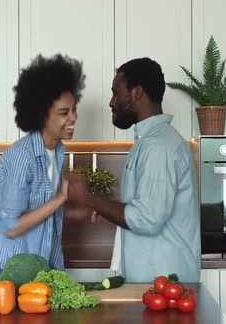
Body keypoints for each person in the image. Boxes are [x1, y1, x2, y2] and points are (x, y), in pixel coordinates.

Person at [67, 57, 201, 283]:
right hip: (155, 283)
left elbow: (146, 219)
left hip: (165, 286)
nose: (111, 102)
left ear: (137, 93)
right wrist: (107, 208)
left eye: (116, 93)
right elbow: (146, 208)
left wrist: (89, 199)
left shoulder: (158, 147)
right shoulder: (150, 143)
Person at [0, 54, 90, 310]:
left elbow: (43, 211)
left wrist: (78, 210)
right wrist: (61, 197)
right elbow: (12, 227)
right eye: (64, 113)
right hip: (3, 267)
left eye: (74, 110)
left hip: (37, 265)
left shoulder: (58, 151)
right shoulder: (22, 156)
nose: (73, 118)